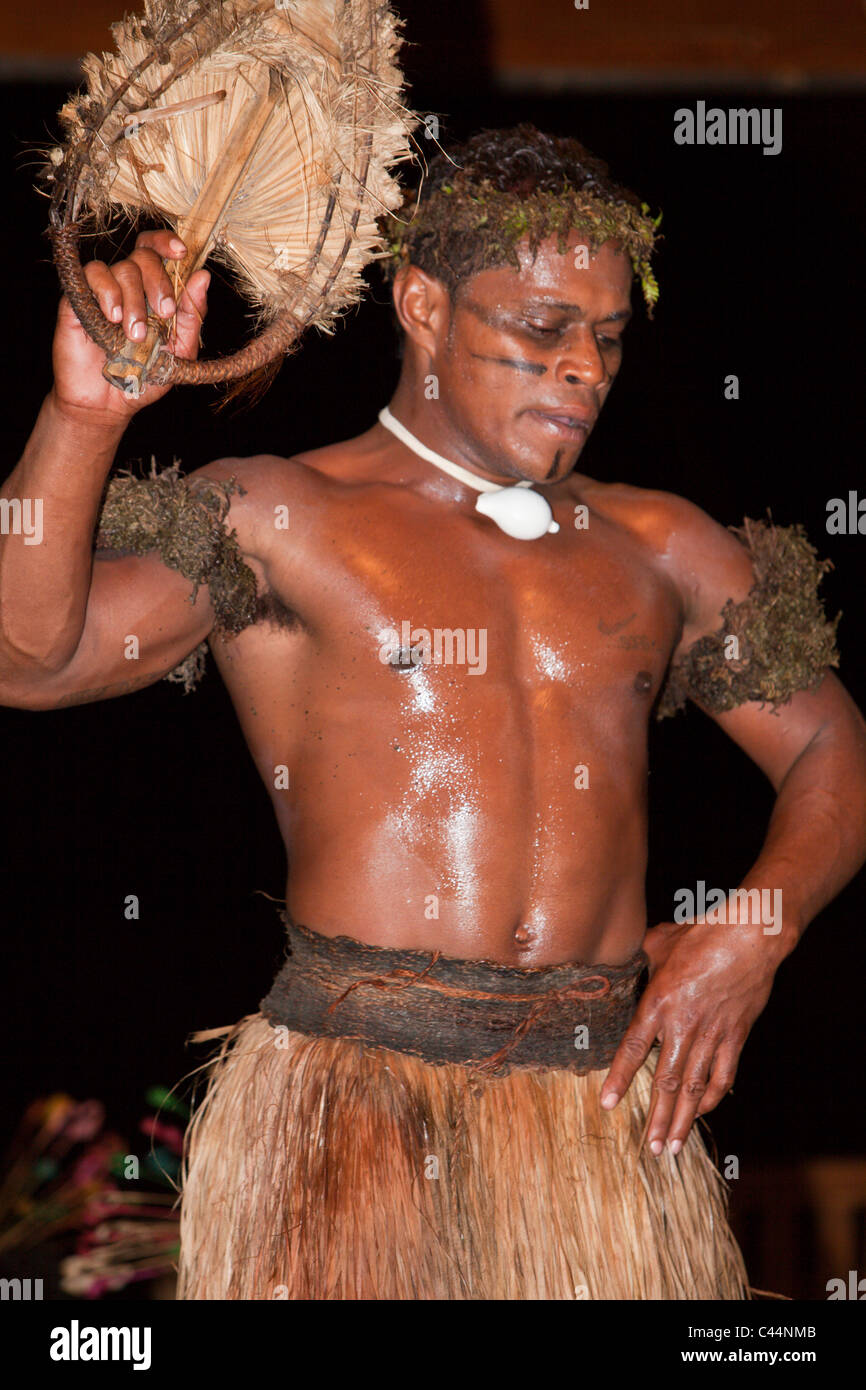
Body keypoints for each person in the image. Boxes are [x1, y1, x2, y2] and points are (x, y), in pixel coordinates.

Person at [2, 125, 864, 1300]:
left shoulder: (661, 546)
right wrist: (87, 418)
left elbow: (830, 741)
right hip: (346, 1117)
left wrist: (752, 930)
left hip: (591, 1112)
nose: (584, 371)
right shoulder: (279, 513)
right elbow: (29, 658)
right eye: (541, 328)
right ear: (421, 306)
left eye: (607, 337)